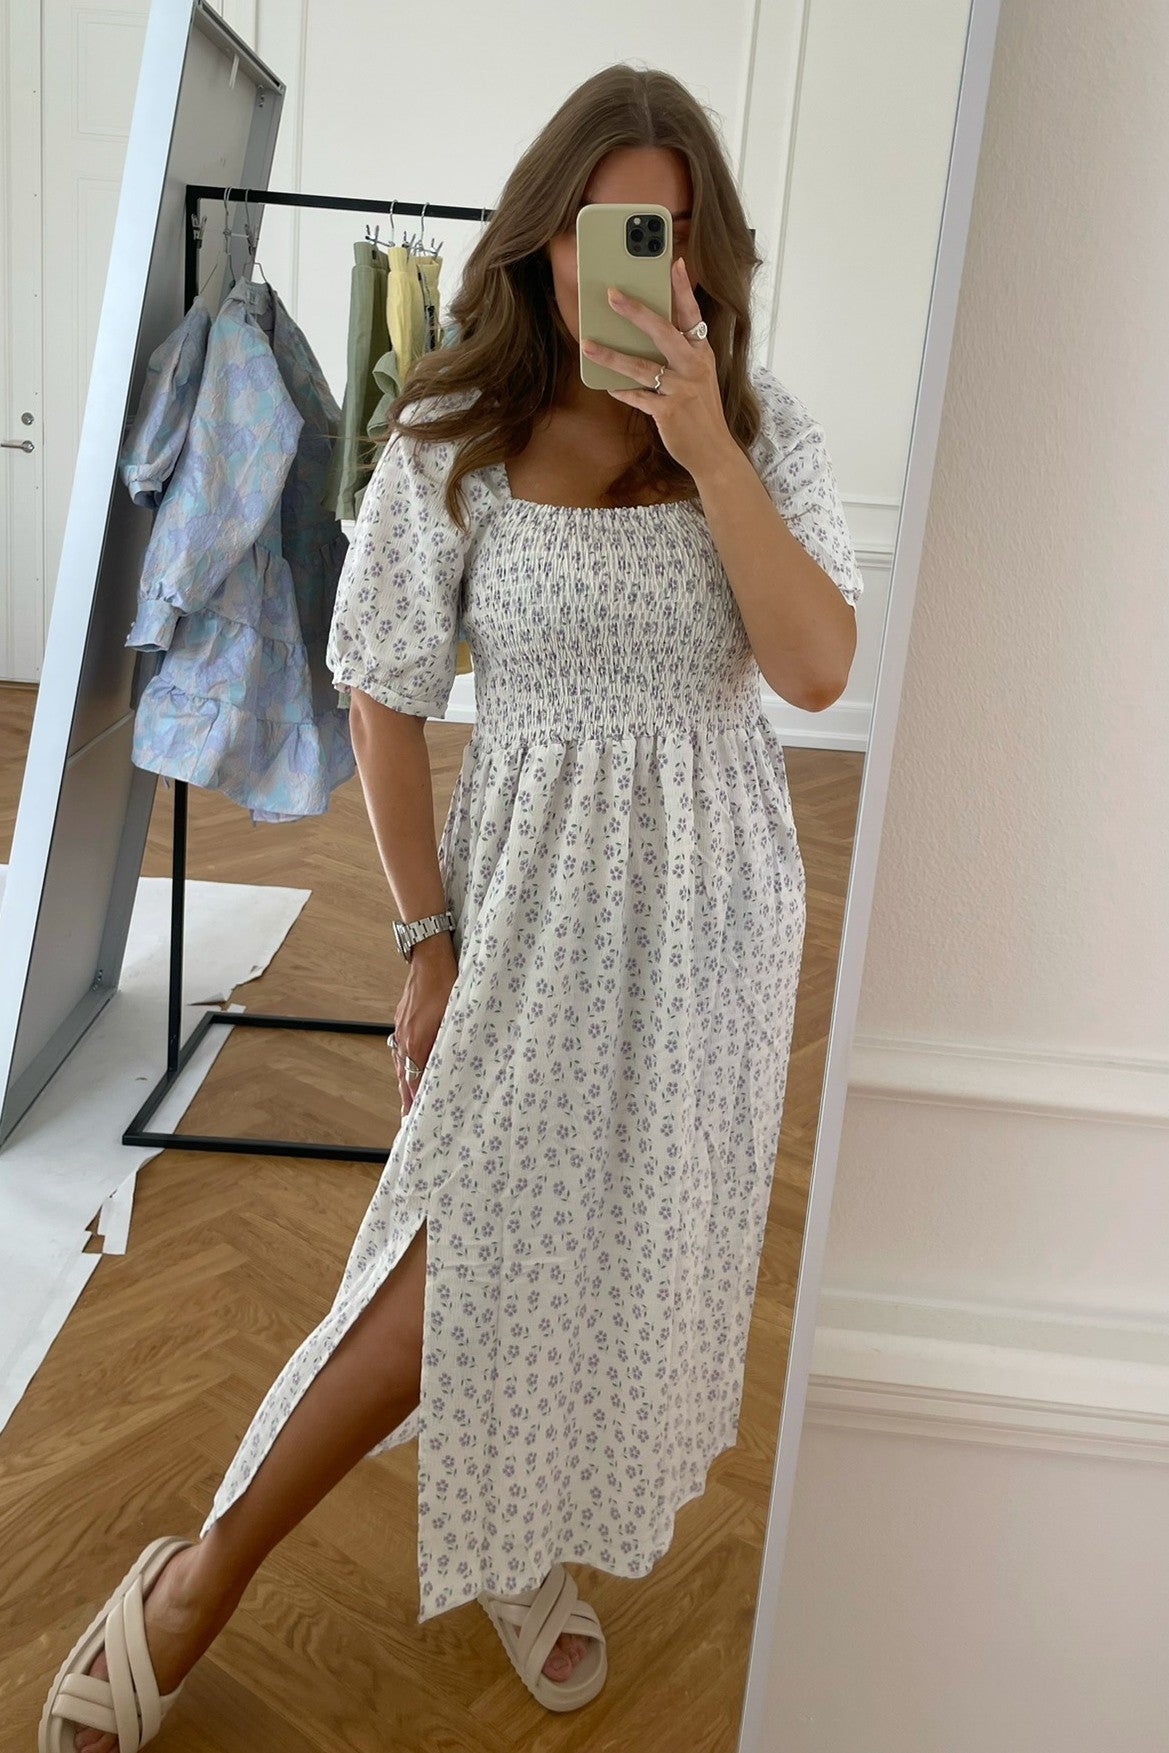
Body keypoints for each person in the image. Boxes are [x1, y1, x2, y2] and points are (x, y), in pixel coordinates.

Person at [41, 61, 862, 1753]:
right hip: (528, 917)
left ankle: (519, 1536)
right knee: (443, 1265)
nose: (628, 266)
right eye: (599, 229)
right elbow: (381, 690)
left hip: (711, 925)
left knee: (620, 1251)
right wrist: (422, 940)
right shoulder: (453, 431)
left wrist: (706, 446)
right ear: (543, 237)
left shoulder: (760, 427)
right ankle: (200, 1576)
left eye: (665, 233)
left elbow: (812, 666)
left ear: (704, 252)